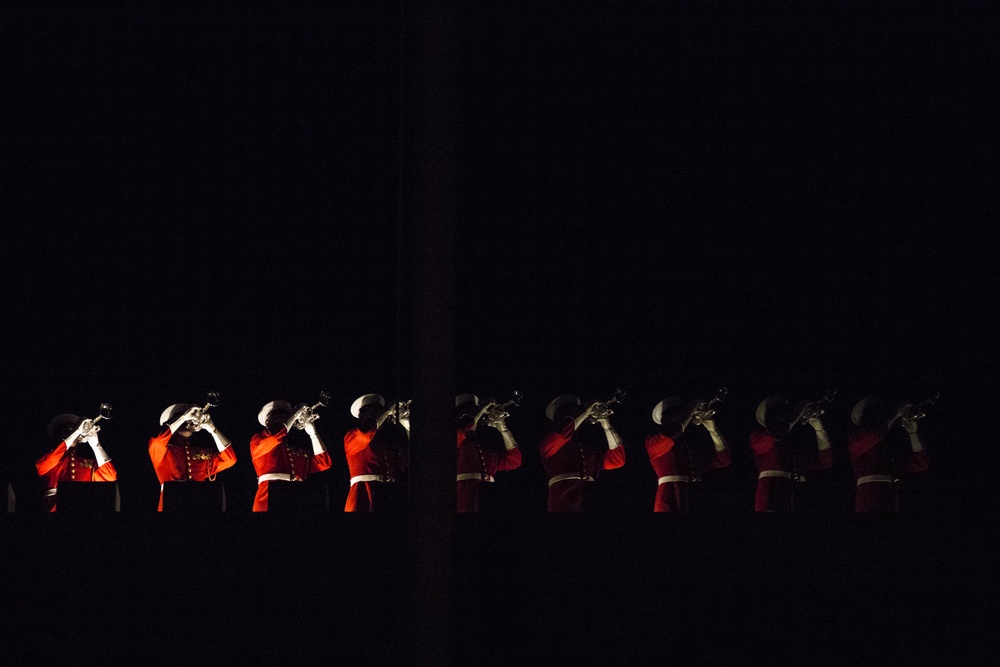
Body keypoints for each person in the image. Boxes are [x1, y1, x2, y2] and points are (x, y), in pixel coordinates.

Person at [539, 394, 625, 512]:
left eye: (576, 414)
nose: (576, 418)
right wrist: (584, 413)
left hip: (590, 498)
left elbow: (618, 459)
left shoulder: (587, 448)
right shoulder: (548, 442)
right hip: (563, 499)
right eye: (570, 416)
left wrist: (606, 424)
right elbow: (564, 433)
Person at [645, 396, 731, 512]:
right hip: (669, 497)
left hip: (694, 498)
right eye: (675, 414)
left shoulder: (690, 445)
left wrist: (713, 431)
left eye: (680, 413)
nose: (681, 417)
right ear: (664, 420)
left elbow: (724, 459)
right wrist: (692, 407)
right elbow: (674, 431)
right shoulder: (653, 440)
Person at [148, 402, 237, 511]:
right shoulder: (164, 450)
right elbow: (156, 442)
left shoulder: (200, 452)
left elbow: (230, 459)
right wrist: (183, 417)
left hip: (199, 502)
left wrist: (213, 430)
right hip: (173, 502)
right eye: (187, 418)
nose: (191, 420)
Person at [750, 396, 833, 512]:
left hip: (795, 499)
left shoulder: (795, 446)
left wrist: (819, 429)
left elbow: (825, 462)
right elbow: (776, 432)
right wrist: (797, 412)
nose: (782, 417)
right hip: (770, 499)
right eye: (777, 415)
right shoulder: (759, 436)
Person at [848, 396, 929, 513]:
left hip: (894, 501)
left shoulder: (891, 442)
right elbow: (876, 433)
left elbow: (921, 464)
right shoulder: (855, 438)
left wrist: (913, 433)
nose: (878, 416)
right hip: (869, 504)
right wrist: (896, 413)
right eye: (872, 414)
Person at [250, 399, 332, 512]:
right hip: (271, 494)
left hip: (296, 495)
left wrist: (313, 434)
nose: (284, 420)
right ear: (268, 422)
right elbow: (275, 436)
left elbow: (324, 462)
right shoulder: (258, 440)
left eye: (285, 417)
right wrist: (296, 414)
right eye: (279, 417)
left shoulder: (293, 450)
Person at [36, 413, 117, 512]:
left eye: (72, 430)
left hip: (82, 510)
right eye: (67, 431)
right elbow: (46, 462)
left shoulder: (87, 462)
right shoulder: (49, 459)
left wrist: (96, 445)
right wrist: (76, 431)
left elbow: (110, 477)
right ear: (59, 436)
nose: (71, 434)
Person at [455, 393, 522, 513]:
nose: (471, 416)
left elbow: (514, 461)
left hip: (490, 496)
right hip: (464, 495)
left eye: (473, 412)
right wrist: (480, 410)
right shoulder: (455, 438)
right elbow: (461, 431)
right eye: (468, 413)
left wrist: (503, 429)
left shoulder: (485, 444)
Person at [343, 393, 410, 512]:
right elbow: (366, 433)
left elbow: (407, 461)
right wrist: (388, 410)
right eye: (374, 412)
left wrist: (407, 424)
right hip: (364, 494)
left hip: (390, 494)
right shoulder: (351, 435)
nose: (380, 415)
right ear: (362, 417)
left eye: (379, 411)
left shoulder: (388, 440)